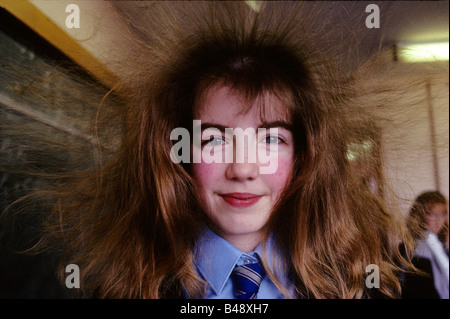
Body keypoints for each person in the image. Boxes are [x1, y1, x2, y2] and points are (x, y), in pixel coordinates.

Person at [2, 2, 416, 299]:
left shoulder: (360, 284)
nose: (242, 168)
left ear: (304, 157)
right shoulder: (121, 287)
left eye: (271, 139)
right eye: (214, 139)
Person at [403, 191, 449, 299]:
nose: (438, 221)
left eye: (442, 215)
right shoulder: (415, 250)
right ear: (419, 216)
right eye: (432, 214)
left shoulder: (439, 246)